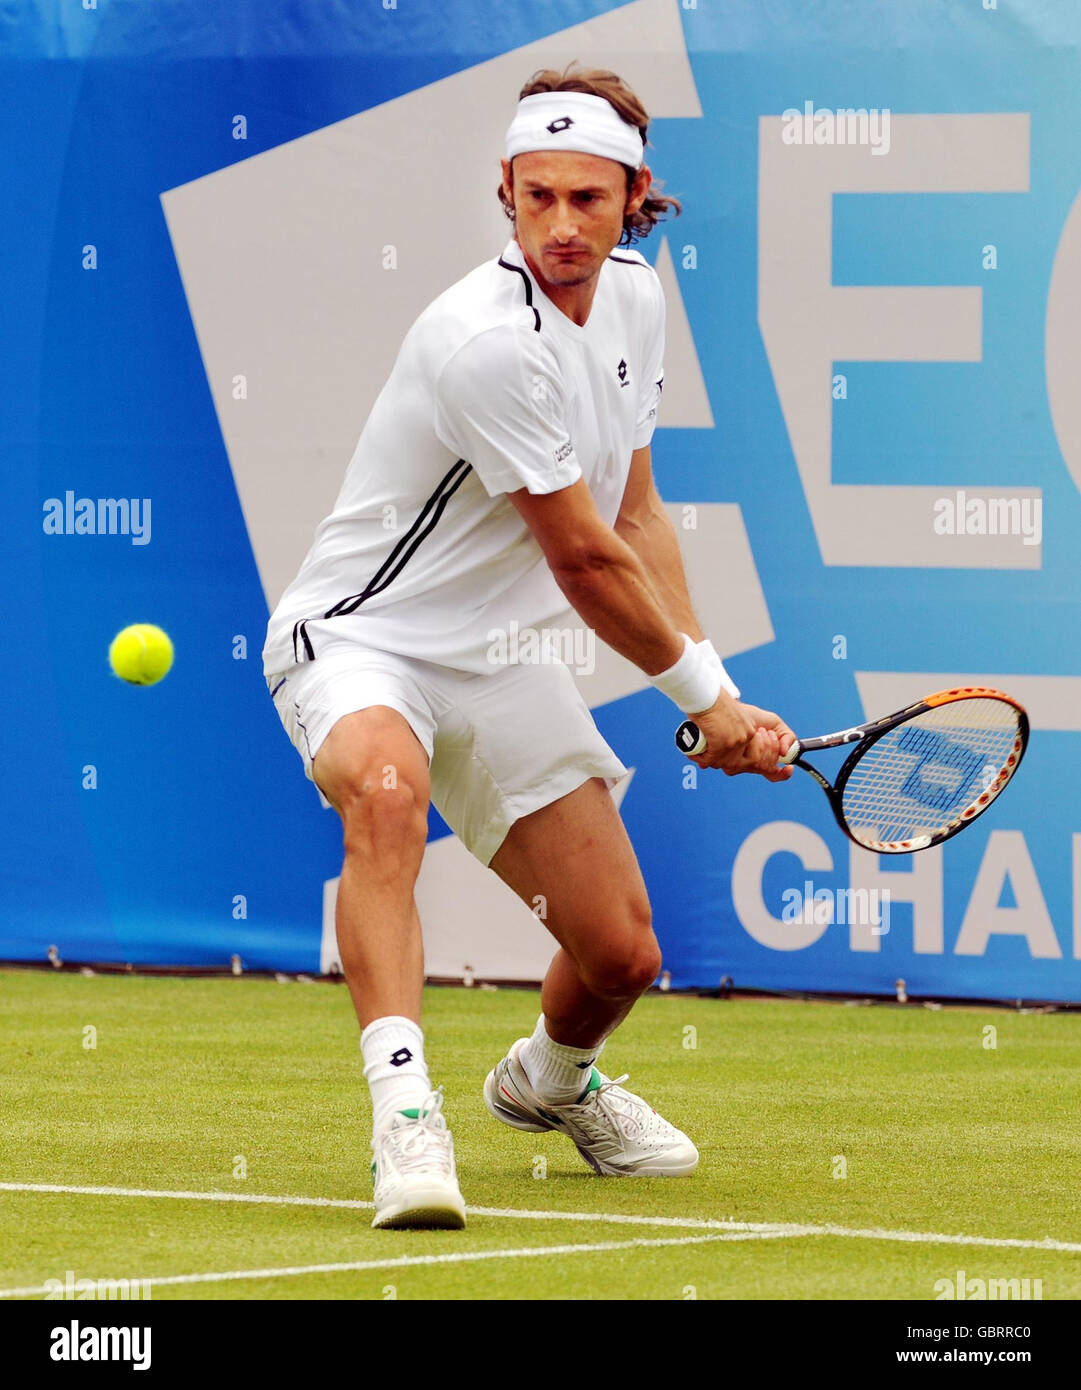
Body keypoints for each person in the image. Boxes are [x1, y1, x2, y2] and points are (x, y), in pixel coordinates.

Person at [262, 64, 794, 1230]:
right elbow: (585, 564)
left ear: (633, 197)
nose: (558, 225)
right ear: (503, 191)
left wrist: (721, 688)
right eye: (535, 196)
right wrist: (704, 700)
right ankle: (405, 1122)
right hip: (359, 639)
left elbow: (639, 517)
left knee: (619, 954)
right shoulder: (480, 343)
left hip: (496, 657)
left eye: (586, 201)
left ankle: (547, 1083)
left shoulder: (640, 302)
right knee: (388, 797)